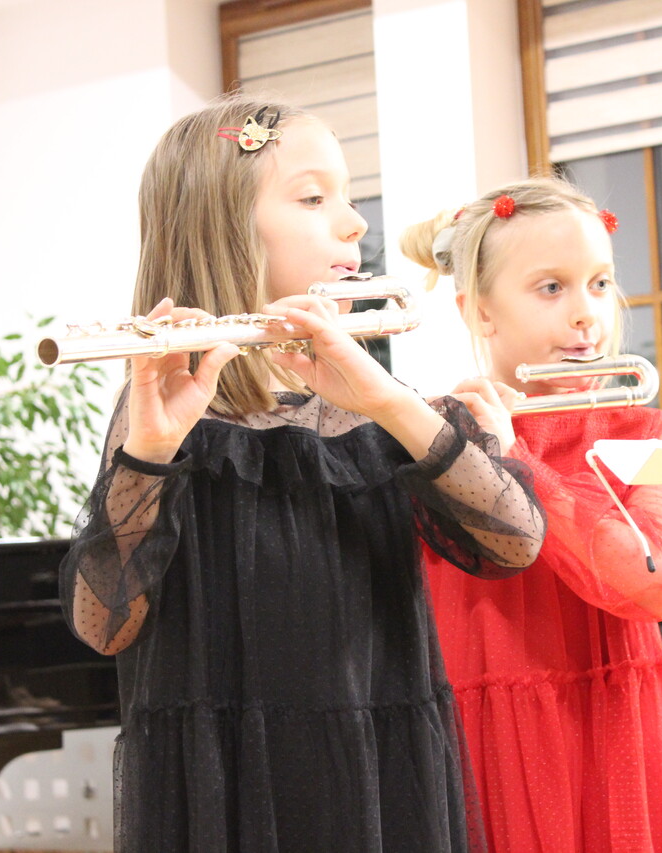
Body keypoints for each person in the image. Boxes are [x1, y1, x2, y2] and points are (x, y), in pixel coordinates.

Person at [57, 93, 547, 852]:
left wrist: (390, 401)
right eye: (314, 198)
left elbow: (514, 540)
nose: (354, 223)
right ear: (224, 226)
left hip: (383, 777)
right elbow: (103, 623)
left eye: (347, 196)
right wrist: (149, 450)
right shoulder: (165, 412)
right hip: (227, 794)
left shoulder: (379, 410)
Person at [402, 177, 662, 852]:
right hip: (487, 744)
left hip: (617, 735)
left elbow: (656, 584)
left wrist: (521, 462)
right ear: (479, 311)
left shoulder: (641, 434)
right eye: (552, 287)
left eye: (599, 284)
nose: (586, 313)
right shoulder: (435, 440)